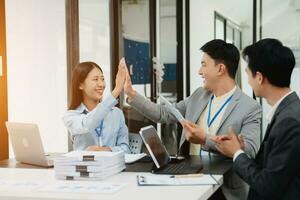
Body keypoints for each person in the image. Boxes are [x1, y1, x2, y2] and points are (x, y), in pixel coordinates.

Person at [123, 39, 262, 200]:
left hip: (224, 189)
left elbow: (249, 151)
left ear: (220, 69)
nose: (199, 71)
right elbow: (164, 114)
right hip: (188, 179)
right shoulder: (199, 95)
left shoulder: (250, 107)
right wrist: (131, 93)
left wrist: (205, 139)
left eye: (203, 64)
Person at [214, 38, 300, 200]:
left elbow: (268, 185)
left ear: (259, 77)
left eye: (247, 74)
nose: (247, 81)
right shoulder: (288, 111)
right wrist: (240, 151)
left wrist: (236, 153)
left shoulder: (290, 121)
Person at [63, 59, 130, 153]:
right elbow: (88, 123)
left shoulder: (117, 113)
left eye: (102, 79)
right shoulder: (70, 116)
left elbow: (126, 149)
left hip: (112, 167)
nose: (101, 84)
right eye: (95, 79)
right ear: (80, 85)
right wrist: (116, 91)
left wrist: (106, 150)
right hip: (85, 166)